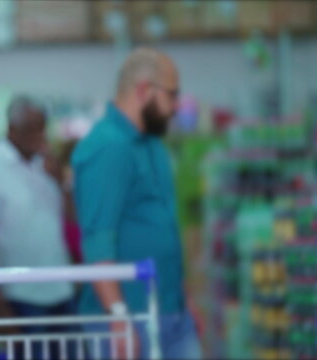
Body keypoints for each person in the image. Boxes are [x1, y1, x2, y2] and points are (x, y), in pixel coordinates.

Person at [71, 48, 202, 359]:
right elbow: (98, 241)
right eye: (171, 94)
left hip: (169, 310)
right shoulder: (107, 148)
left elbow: (163, 229)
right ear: (144, 90)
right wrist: (118, 318)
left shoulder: (152, 145)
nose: (175, 106)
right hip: (130, 316)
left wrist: (183, 300)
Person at [0, 96, 75, 358]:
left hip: (61, 291)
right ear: (12, 130)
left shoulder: (46, 164)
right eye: (32, 129)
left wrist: (62, 181)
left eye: (42, 128)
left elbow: (73, 220)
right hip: (21, 297)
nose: (39, 136)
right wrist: (1, 309)